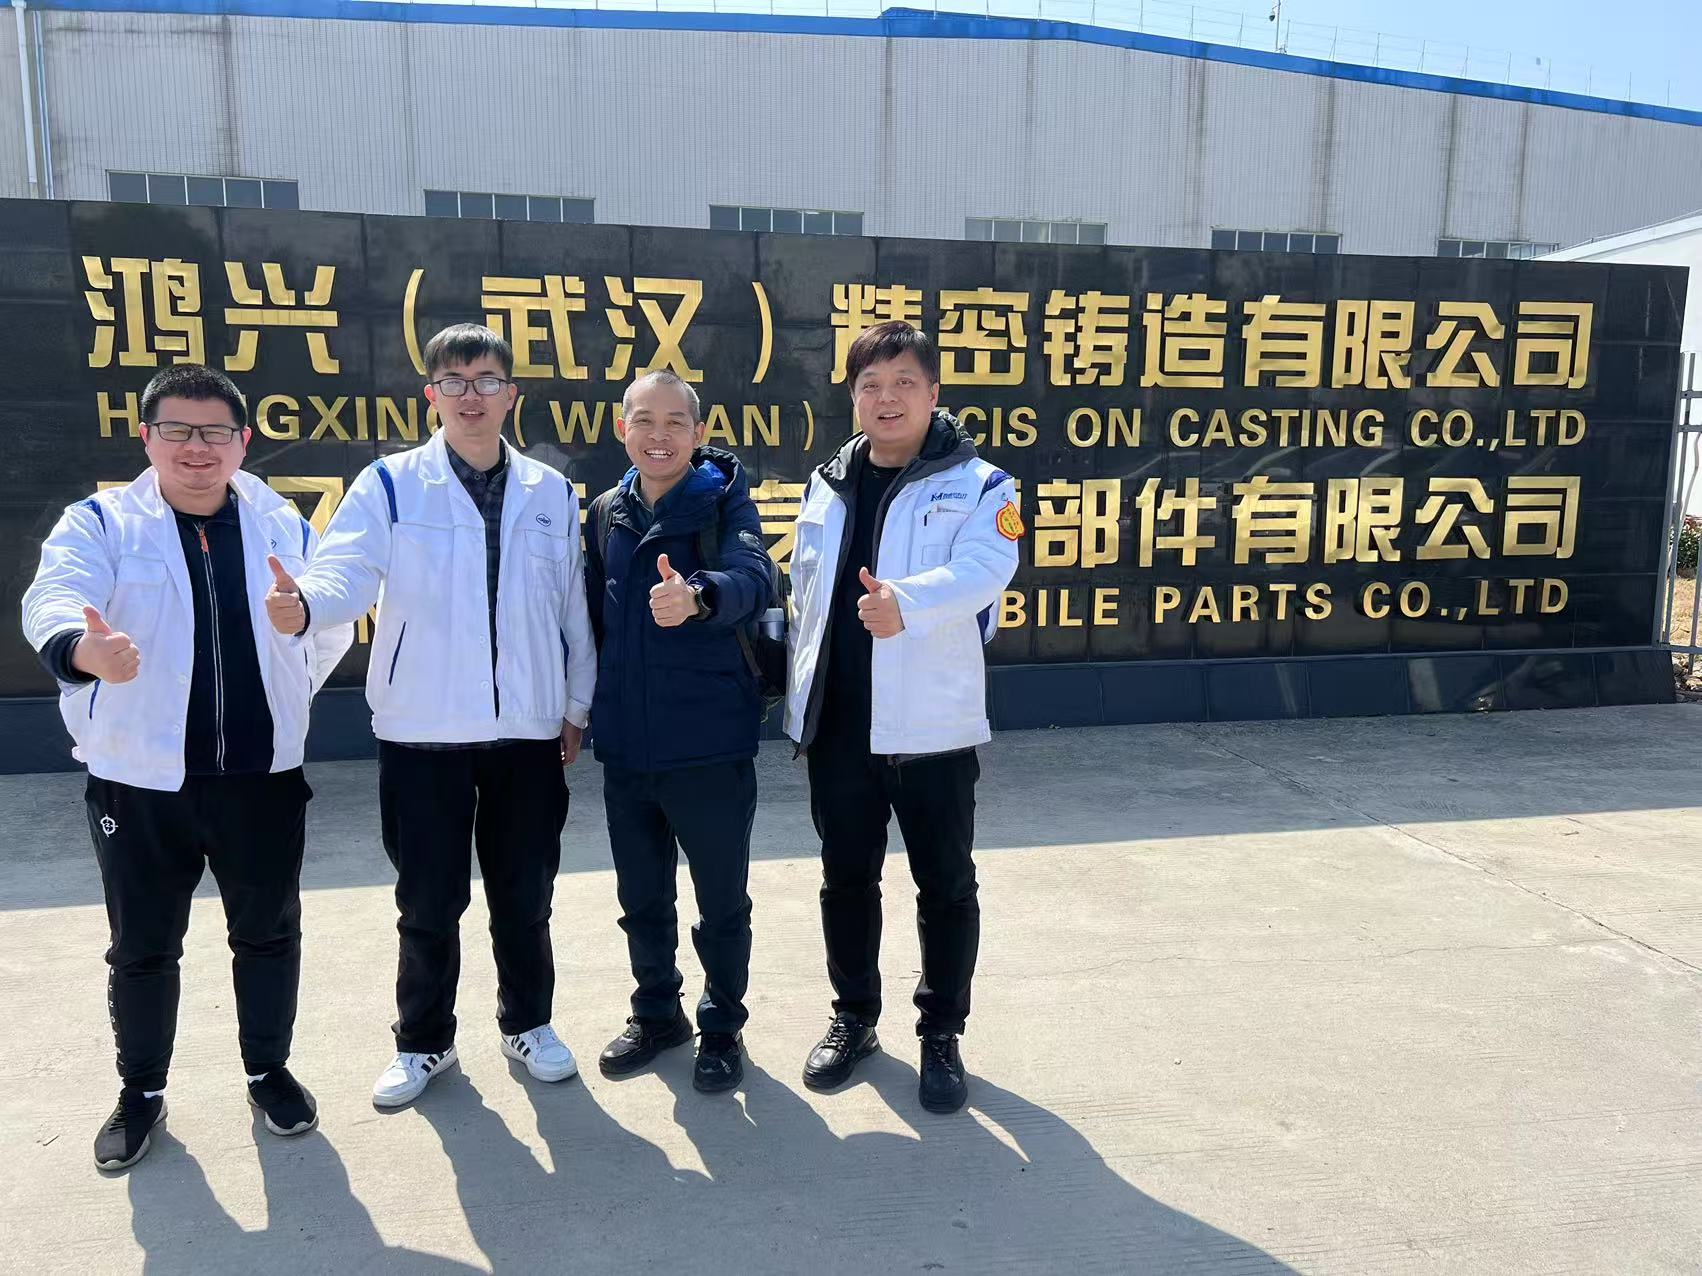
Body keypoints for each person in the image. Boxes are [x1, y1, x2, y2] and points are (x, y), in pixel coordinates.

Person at [21, 364, 353, 1170]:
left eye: (214, 433)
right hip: (139, 782)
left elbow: (329, 621)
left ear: (243, 441)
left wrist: (289, 683)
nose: (196, 448)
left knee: (268, 934)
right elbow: (52, 596)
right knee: (142, 945)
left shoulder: (282, 524)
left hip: (261, 779)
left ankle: (268, 1071)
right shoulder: (102, 522)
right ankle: (141, 1091)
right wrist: (84, 651)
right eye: (177, 430)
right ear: (147, 437)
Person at [266, 323, 596, 1108]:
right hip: (422, 732)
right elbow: (347, 570)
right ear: (431, 396)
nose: (470, 396)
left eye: (486, 381)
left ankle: (528, 1024)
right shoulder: (389, 484)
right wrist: (306, 603)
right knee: (427, 902)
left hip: (525, 731)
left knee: (525, 895)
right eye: (454, 381)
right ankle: (423, 1042)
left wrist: (576, 703)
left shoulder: (550, 492)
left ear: (511, 394)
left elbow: (571, 609)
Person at [785, 321, 1022, 1114]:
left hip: (931, 730)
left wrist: (905, 604)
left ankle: (941, 1033)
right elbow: (806, 593)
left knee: (945, 886)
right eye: (870, 386)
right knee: (846, 880)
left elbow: (986, 569)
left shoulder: (982, 485)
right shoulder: (826, 484)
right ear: (853, 396)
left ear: (933, 393)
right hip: (840, 727)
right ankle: (854, 1017)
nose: (886, 399)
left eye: (903, 384)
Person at [583, 370, 775, 1094]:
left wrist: (698, 595)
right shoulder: (606, 513)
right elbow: (586, 623)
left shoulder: (724, 502)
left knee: (721, 902)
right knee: (642, 898)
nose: (658, 435)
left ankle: (722, 1026)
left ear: (698, 433)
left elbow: (755, 576)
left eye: (674, 423)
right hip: (628, 748)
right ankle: (657, 1012)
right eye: (644, 420)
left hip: (709, 746)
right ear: (621, 428)